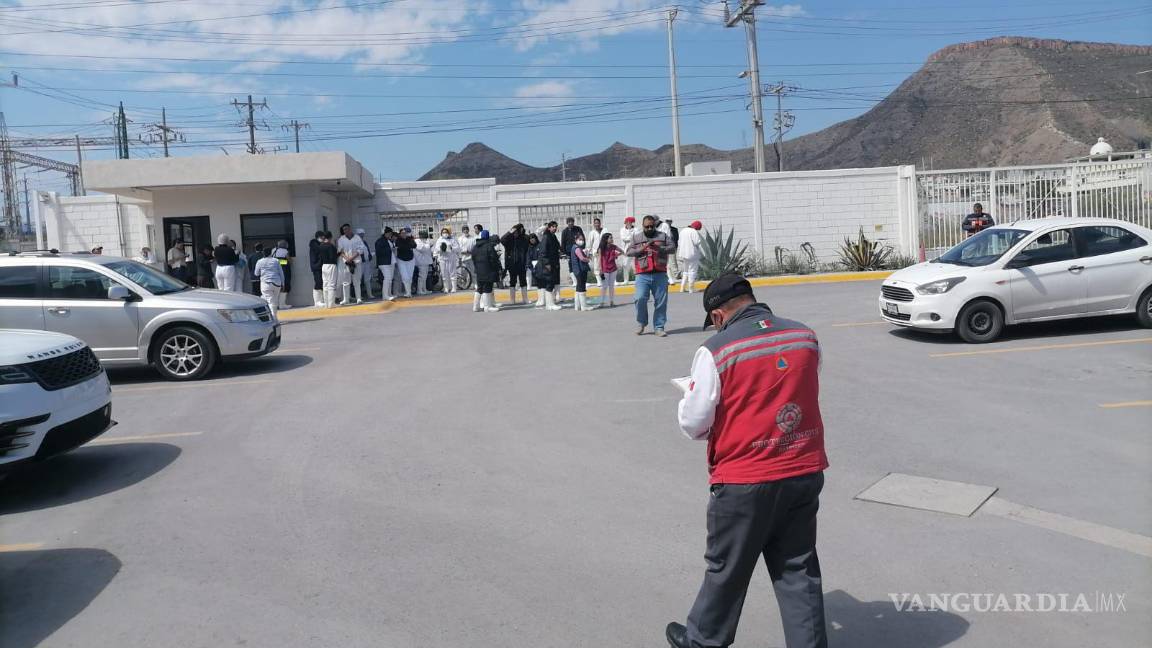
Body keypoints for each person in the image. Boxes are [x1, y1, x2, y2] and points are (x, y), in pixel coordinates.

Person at [666, 274, 828, 648]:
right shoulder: (804, 336)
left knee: (727, 569)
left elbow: (693, 423)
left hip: (745, 479)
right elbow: (802, 386)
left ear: (719, 315)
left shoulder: (716, 350)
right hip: (803, 468)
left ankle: (702, 642)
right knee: (798, 569)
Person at [626, 215, 675, 336]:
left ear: (655, 225)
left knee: (661, 302)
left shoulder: (662, 236)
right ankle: (642, 322)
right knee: (639, 298)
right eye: (646, 226)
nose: (649, 228)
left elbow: (672, 248)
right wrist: (644, 247)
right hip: (643, 274)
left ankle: (659, 327)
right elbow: (629, 252)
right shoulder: (637, 237)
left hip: (660, 274)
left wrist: (660, 248)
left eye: (651, 226)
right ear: (642, 226)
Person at [533, 221, 563, 311]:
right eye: (553, 227)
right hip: (547, 265)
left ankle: (549, 303)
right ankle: (550, 305)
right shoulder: (546, 237)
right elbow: (543, 252)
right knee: (549, 283)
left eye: (555, 227)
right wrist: (547, 264)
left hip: (553, 263)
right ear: (549, 228)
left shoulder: (553, 237)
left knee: (550, 283)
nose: (554, 228)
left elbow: (557, 247)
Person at [471, 230, 502, 313]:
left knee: (479, 289)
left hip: (478, 271)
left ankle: (475, 307)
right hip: (488, 271)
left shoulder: (475, 246)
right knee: (487, 289)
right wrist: (496, 268)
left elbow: (473, 258)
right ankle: (487, 307)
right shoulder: (489, 246)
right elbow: (493, 259)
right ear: (488, 237)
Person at [337, 223, 367, 304]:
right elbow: (340, 251)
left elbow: (361, 249)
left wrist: (352, 258)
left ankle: (359, 298)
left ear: (350, 229)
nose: (345, 231)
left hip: (356, 262)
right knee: (346, 282)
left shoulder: (357, 238)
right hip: (346, 263)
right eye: (344, 230)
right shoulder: (341, 239)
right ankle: (346, 299)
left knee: (357, 281)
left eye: (347, 229)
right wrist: (347, 259)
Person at [501, 224, 531, 305]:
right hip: (511, 264)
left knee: (523, 281)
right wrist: (509, 232)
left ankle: (525, 299)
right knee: (512, 281)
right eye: (515, 232)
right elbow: (502, 239)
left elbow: (529, 240)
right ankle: (512, 300)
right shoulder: (509, 240)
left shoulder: (524, 239)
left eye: (519, 231)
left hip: (521, 263)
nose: (516, 233)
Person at [252, 245, 284, 318]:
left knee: (270, 301)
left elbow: (256, 273)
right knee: (274, 301)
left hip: (265, 284)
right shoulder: (276, 260)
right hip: (277, 283)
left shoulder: (259, 261)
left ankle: (273, 318)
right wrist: (283, 283)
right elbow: (281, 272)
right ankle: (274, 316)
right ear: (271, 253)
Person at [569, 234, 597, 311]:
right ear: (576, 240)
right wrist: (588, 259)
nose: (582, 241)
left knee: (578, 287)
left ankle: (577, 306)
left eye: (582, 240)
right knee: (582, 287)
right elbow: (582, 258)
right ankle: (584, 306)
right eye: (580, 239)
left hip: (576, 270)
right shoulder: (577, 248)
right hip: (580, 270)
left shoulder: (573, 248)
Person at [598, 233, 624, 308]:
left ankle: (611, 301)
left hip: (613, 269)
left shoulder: (614, 247)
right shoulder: (601, 248)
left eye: (612, 238)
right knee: (604, 286)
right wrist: (600, 269)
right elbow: (599, 259)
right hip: (605, 269)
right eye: (610, 238)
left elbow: (622, 251)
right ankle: (602, 302)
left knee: (611, 286)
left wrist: (615, 256)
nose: (612, 239)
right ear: (606, 239)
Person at [678, 220, 703, 293]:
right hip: (692, 254)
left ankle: (682, 288)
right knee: (692, 271)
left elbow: (679, 241)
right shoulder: (694, 232)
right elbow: (697, 242)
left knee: (685, 271)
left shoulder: (683, 231)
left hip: (683, 254)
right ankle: (691, 288)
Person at [434, 227, 462, 294]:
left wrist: (451, 248)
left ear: (449, 232)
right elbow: (436, 249)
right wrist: (441, 249)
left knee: (452, 273)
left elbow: (458, 248)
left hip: (451, 258)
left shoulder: (453, 239)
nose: (445, 234)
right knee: (444, 274)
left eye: (446, 232)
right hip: (442, 259)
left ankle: (454, 288)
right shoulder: (439, 240)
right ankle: (446, 288)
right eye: (443, 232)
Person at [316, 231, 339, 308]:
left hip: (324, 266)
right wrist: (338, 253)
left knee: (325, 285)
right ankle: (331, 303)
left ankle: (326, 304)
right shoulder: (330, 246)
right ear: (330, 237)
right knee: (331, 285)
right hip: (331, 265)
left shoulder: (321, 246)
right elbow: (333, 257)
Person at [560, 216, 585, 288]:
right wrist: (564, 253)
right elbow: (563, 242)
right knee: (571, 266)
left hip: (578, 249)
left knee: (580, 265)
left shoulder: (578, 229)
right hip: (569, 252)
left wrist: (583, 247)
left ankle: (581, 281)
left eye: (572, 222)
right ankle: (575, 282)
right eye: (569, 222)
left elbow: (582, 238)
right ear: (567, 223)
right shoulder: (564, 231)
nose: (571, 223)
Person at [375, 227, 397, 301]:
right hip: (384, 263)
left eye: (391, 234)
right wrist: (390, 250)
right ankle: (385, 295)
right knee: (387, 278)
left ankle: (389, 293)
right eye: (389, 234)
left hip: (391, 261)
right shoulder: (379, 241)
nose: (390, 235)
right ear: (385, 233)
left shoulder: (389, 240)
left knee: (390, 279)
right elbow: (378, 252)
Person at [270, 239, 293, 310]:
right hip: (284, 270)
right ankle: (282, 304)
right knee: (285, 285)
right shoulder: (285, 251)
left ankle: (276, 304)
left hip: (274, 271)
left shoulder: (273, 250)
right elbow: (290, 261)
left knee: (277, 286)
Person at [395, 228, 417, 298]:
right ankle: (408, 292)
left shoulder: (410, 238)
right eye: (402, 233)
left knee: (410, 277)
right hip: (401, 260)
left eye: (405, 233)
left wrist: (409, 245)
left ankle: (409, 292)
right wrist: (409, 247)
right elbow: (401, 247)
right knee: (405, 277)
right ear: (400, 234)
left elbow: (414, 245)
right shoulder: (398, 240)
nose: (404, 234)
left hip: (411, 260)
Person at [356, 228, 375, 299]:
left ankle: (369, 294)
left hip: (366, 262)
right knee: (358, 279)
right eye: (360, 234)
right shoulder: (356, 242)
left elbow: (368, 251)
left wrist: (370, 256)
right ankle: (359, 295)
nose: (362, 236)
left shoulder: (365, 242)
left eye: (362, 234)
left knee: (367, 278)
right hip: (360, 263)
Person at [414, 230, 434, 296]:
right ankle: (419, 290)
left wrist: (428, 244)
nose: (425, 238)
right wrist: (428, 244)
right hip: (420, 261)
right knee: (421, 276)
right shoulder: (417, 241)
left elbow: (429, 248)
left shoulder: (425, 241)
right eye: (423, 237)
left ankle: (424, 289)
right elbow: (422, 249)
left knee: (424, 276)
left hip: (426, 261)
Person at [309, 230, 325, 307]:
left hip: (321, 266)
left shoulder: (319, 244)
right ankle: (317, 301)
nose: (323, 239)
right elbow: (319, 249)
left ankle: (321, 300)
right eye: (322, 237)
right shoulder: (313, 243)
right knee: (318, 282)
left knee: (321, 283)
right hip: (316, 266)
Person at [587, 218, 605, 287]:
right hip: (596, 253)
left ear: (600, 223)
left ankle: (604, 280)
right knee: (597, 267)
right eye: (595, 223)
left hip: (604, 252)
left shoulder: (604, 231)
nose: (597, 224)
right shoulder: (592, 233)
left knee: (604, 266)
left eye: (598, 223)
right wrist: (589, 253)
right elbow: (589, 244)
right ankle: (599, 281)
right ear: (594, 224)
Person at [619, 216, 637, 285]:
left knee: (635, 265)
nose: (628, 223)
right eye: (627, 222)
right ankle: (626, 280)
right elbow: (624, 238)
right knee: (625, 265)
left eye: (629, 222)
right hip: (625, 249)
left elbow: (636, 238)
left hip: (634, 249)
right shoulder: (622, 230)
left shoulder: (636, 229)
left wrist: (630, 236)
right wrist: (631, 237)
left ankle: (637, 279)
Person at [527, 232, 543, 306]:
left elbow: (541, 255)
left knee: (541, 283)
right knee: (537, 284)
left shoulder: (539, 245)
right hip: (532, 266)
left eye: (533, 238)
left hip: (539, 265)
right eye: (530, 238)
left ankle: (542, 299)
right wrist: (529, 265)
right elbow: (528, 258)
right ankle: (540, 299)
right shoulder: (529, 247)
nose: (532, 240)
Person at [665, 219, 681, 283]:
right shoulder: (663, 228)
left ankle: (675, 274)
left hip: (672, 247)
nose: (668, 222)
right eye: (667, 221)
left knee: (673, 261)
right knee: (667, 263)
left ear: (671, 222)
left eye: (669, 221)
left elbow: (676, 238)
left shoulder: (674, 229)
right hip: (665, 247)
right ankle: (672, 275)